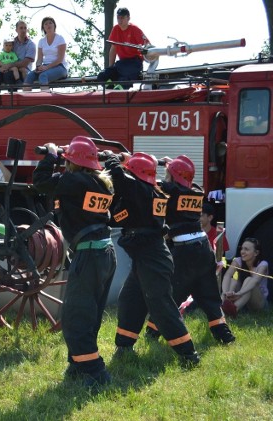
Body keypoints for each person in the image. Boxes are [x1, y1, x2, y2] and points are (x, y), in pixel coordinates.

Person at [33, 136, 116, 388]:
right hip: (105, 255)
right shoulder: (102, 183)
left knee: (75, 316)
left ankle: (95, 372)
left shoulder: (72, 181)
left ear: (71, 163)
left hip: (89, 255)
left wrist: (50, 154)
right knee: (90, 313)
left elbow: (41, 183)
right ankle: (77, 365)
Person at [105, 151, 200, 366]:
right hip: (145, 258)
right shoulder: (145, 192)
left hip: (153, 258)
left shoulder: (142, 191)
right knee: (130, 299)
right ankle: (124, 346)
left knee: (161, 305)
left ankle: (188, 354)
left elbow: (120, 179)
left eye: (131, 172)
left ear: (135, 174)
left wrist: (112, 160)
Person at [144, 155, 235, 344]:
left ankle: (152, 333)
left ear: (172, 176)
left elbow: (149, 182)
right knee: (209, 294)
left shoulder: (170, 190)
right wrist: (173, 165)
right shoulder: (195, 191)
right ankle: (224, 335)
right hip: (203, 247)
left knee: (171, 293)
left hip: (184, 250)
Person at [97, 7, 150, 89]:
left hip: (134, 63)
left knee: (123, 80)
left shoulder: (135, 29)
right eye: (118, 18)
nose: (120, 20)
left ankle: (119, 92)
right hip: (121, 64)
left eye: (122, 18)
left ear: (128, 18)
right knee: (102, 76)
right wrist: (110, 68)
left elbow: (148, 46)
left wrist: (142, 48)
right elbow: (113, 49)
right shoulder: (115, 29)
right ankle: (111, 91)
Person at [221, 238, 269, 316]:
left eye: (246, 249)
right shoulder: (238, 261)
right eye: (242, 248)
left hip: (259, 303)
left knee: (249, 280)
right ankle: (223, 305)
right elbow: (227, 275)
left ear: (256, 253)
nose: (242, 252)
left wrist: (239, 293)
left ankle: (234, 309)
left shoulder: (263, 264)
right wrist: (225, 292)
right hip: (243, 300)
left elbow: (255, 281)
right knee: (233, 280)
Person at [24, 17, 68, 90]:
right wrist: (38, 67)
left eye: (50, 23)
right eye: (46, 24)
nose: (48, 25)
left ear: (54, 26)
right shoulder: (41, 41)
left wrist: (46, 67)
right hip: (45, 67)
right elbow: (39, 59)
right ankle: (25, 99)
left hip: (60, 67)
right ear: (43, 28)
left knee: (43, 76)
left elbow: (60, 59)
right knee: (29, 76)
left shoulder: (60, 38)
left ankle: (45, 99)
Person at [0, 21, 36, 88]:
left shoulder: (31, 44)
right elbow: (2, 56)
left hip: (23, 72)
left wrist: (9, 65)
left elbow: (25, 63)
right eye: (21, 28)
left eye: (25, 28)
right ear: (16, 30)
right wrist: (0, 68)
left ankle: (13, 97)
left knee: (9, 76)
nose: (23, 30)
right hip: (8, 69)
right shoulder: (11, 43)